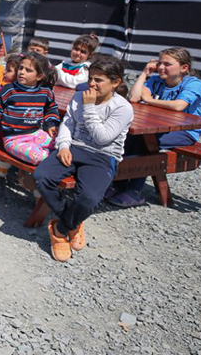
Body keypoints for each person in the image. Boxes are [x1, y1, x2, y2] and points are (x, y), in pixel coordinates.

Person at [33, 55, 133, 262]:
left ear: (115, 82)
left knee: (88, 198)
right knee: (42, 176)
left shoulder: (122, 107)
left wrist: (89, 107)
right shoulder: (79, 97)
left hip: (103, 155)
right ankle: (73, 220)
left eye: (99, 80)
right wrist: (63, 146)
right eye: (91, 78)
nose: (92, 84)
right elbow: (68, 124)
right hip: (74, 148)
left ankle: (61, 230)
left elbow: (103, 138)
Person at [106, 47, 201, 208]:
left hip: (185, 131)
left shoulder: (193, 83)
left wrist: (151, 101)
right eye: (159, 63)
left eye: (167, 64)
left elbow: (179, 105)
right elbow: (134, 98)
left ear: (184, 68)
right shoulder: (156, 80)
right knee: (130, 137)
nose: (161, 67)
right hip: (157, 127)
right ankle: (119, 184)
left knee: (145, 142)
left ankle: (134, 190)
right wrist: (145, 73)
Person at [0, 52, 60, 167]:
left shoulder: (45, 92)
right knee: (38, 157)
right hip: (13, 139)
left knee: (61, 146)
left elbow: (51, 108)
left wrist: (51, 124)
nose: (22, 72)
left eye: (28, 70)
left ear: (39, 76)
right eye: (21, 68)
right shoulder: (9, 90)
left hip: (36, 133)